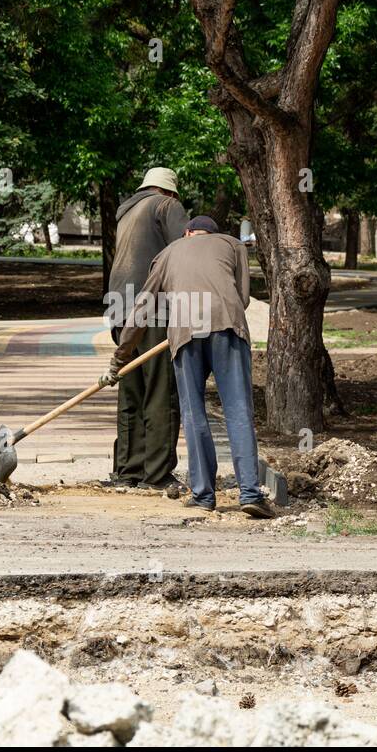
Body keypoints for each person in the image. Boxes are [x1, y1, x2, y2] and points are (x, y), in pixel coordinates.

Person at [102, 216, 274, 519]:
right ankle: (250, 493)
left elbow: (142, 306)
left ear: (187, 233)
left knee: (194, 414)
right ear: (213, 234)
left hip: (184, 333)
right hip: (228, 329)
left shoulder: (168, 252)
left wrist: (120, 358)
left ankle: (203, 495)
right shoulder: (233, 245)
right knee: (238, 412)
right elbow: (243, 298)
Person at [104, 167, 189, 489]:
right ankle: (157, 474)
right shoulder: (166, 206)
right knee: (161, 392)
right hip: (153, 308)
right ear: (169, 191)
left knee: (131, 392)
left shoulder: (127, 210)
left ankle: (128, 470)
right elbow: (184, 252)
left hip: (119, 307)